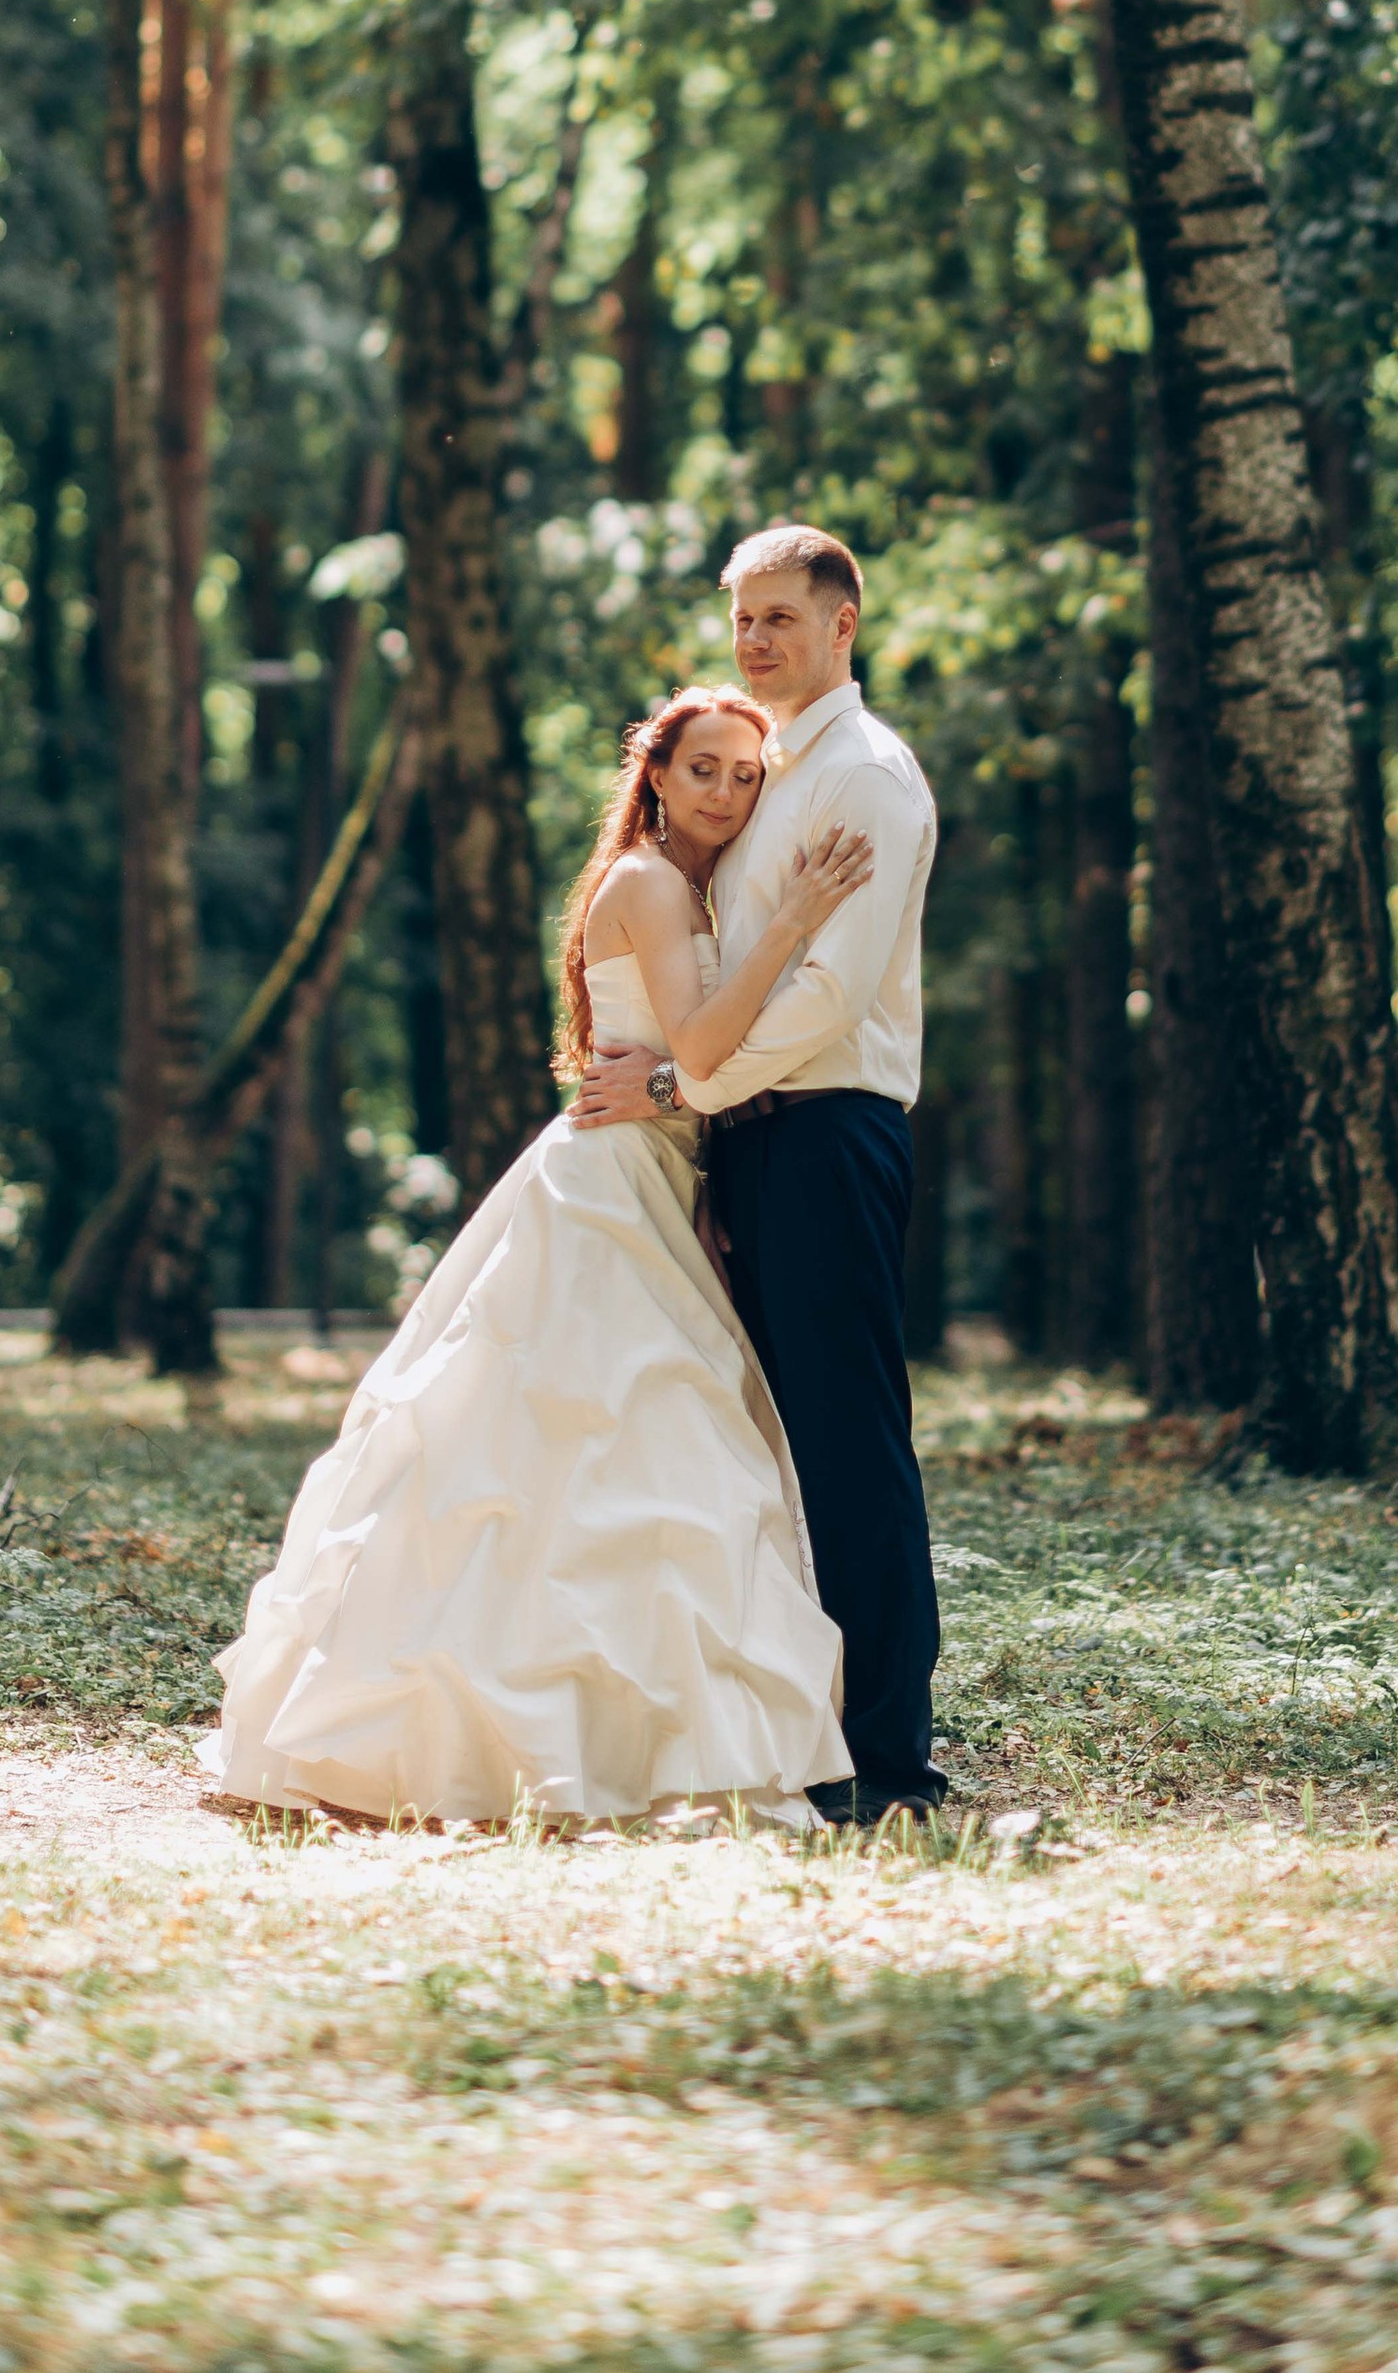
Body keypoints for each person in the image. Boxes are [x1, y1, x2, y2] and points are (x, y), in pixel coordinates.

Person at [203, 687, 871, 1829]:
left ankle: (631, 1727)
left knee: (641, 1453)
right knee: (594, 1439)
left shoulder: (688, 887)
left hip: (662, 1175)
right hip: (607, 1189)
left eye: (745, 775)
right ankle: (524, 1734)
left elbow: (683, 1069)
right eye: (702, 768)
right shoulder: (651, 884)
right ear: (655, 776)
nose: (724, 791)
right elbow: (705, 1045)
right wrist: (796, 923)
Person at [572, 524, 946, 1823]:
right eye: (742, 617)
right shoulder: (769, 771)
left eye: (781, 616)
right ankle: (803, 1726)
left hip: (832, 1126)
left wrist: (683, 1085)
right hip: (754, 1138)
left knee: (849, 1444)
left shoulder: (871, 779)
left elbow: (830, 991)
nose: (756, 639)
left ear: (845, 622)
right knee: (773, 1450)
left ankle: (890, 1759)